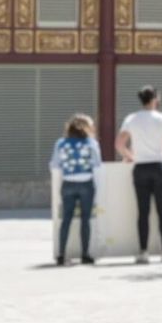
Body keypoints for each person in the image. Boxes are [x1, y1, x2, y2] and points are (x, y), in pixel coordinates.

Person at [116, 85, 162, 264]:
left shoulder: (131, 119)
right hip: (159, 166)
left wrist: (131, 156)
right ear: (155, 99)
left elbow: (119, 144)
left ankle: (143, 252)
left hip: (141, 167)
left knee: (142, 212)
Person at [50, 114, 102, 266]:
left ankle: (61, 255)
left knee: (66, 219)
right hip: (86, 183)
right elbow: (97, 164)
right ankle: (85, 254)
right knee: (86, 219)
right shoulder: (91, 143)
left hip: (68, 183)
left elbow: (54, 164)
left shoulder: (61, 143)